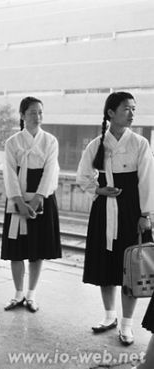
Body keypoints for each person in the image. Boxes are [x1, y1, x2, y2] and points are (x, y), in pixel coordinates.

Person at [77, 91, 154, 346]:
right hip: (104, 209)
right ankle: (109, 316)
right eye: (126, 109)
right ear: (110, 113)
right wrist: (98, 189)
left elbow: (147, 182)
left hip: (132, 210)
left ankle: (126, 325)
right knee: (106, 265)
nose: (132, 113)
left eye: (134, 109)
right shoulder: (96, 144)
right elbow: (83, 176)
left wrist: (145, 215)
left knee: (130, 269)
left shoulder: (140, 143)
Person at [1, 96, 61, 313]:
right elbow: (9, 173)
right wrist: (18, 201)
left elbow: (50, 171)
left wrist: (37, 200)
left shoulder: (50, 141)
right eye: (33, 112)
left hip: (41, 198)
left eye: (40, 112)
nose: (38, 117)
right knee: (16, 250)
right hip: (16, 197)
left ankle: (31, 295)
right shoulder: (12, 142)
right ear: (23, 115)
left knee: (37, 251)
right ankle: (17, 294)